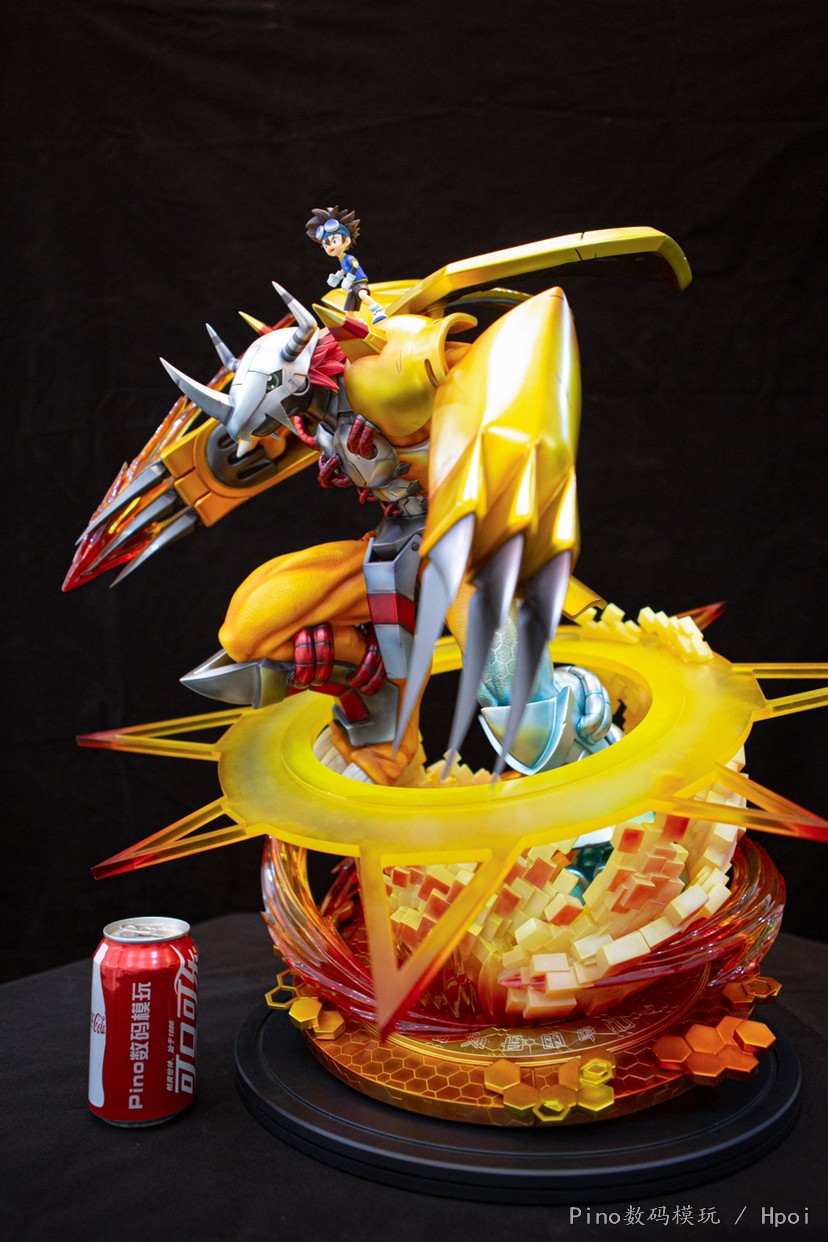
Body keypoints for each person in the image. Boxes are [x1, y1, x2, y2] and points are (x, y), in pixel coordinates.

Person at [306, 205, 387, 323]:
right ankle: (353, 321)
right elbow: (345, 269)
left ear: (346, 240)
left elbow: (355, 265)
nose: (330, 247)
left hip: (359, 282)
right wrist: (338, 276)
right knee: (349, 306)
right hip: (352, 286)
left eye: (334, 241)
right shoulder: (342, 260)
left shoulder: (349, 258)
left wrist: (349, 278)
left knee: (362, 294)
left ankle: (377, 310)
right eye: (326, 245)